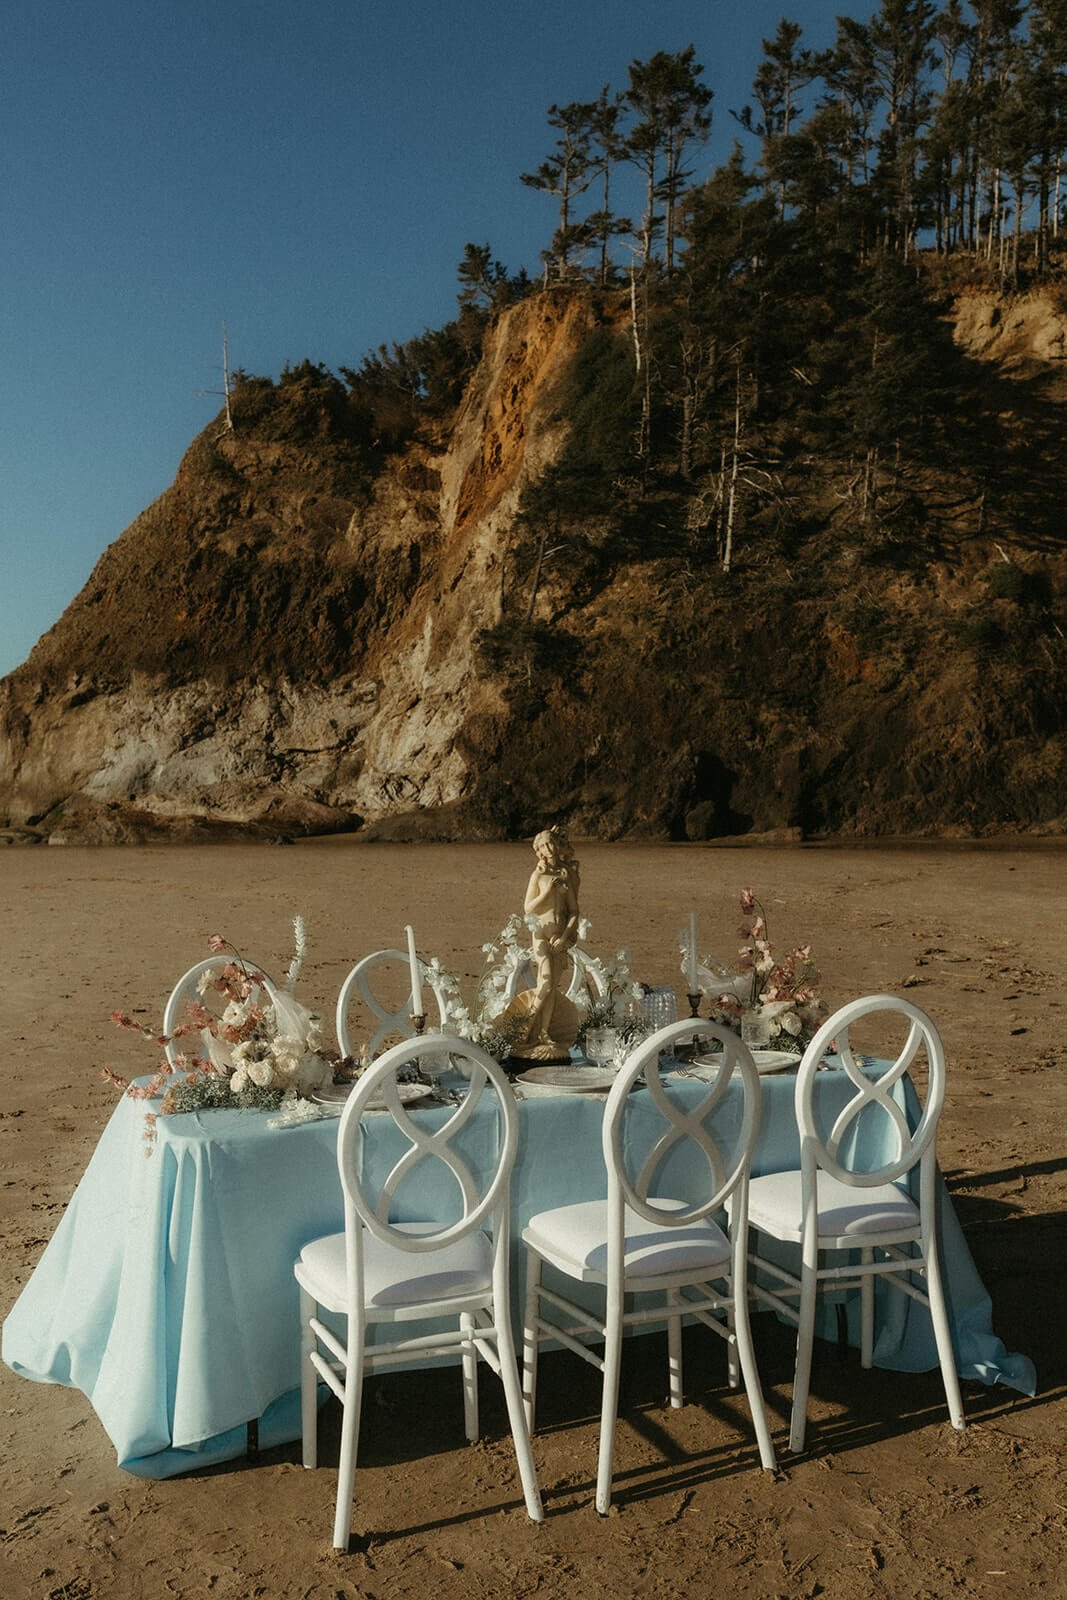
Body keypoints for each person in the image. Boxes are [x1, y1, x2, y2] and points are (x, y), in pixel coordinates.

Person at [521, 828, 580, 1050]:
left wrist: (565, 937)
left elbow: (574, 911)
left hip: (558, 936)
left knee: (552, 986)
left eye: (550, 843)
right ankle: (525, 1027)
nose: (548, 848)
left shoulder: (565, 874)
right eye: (543, 846)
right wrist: (547, 891)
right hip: (540, 934)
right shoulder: (538, 875)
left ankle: (544, 1033)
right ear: (539, 851)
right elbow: (528, 908)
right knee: (544, 983)